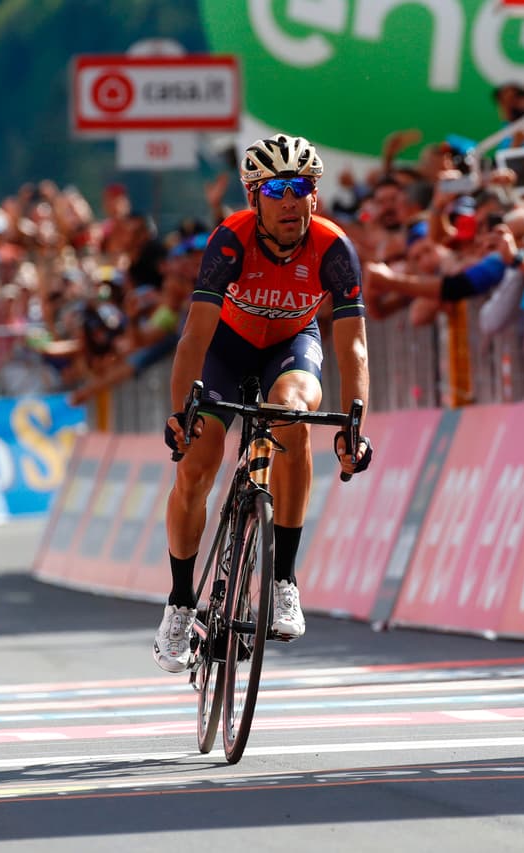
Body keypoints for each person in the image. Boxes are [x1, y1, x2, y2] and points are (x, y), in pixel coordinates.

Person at [153, 133, 373, 673]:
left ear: (314, 196)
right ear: (255, 196)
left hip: (290, 347)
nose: (291, 199)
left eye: (302, 187)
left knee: (294, 418)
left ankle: (283, 581)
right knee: (198, 466)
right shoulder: (230, 242)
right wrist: (183, 412)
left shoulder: (334, 247)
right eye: (277, 188)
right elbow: (193, 339)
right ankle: (181, 602)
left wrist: (355, 423)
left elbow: (353, 344)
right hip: (224, 352)